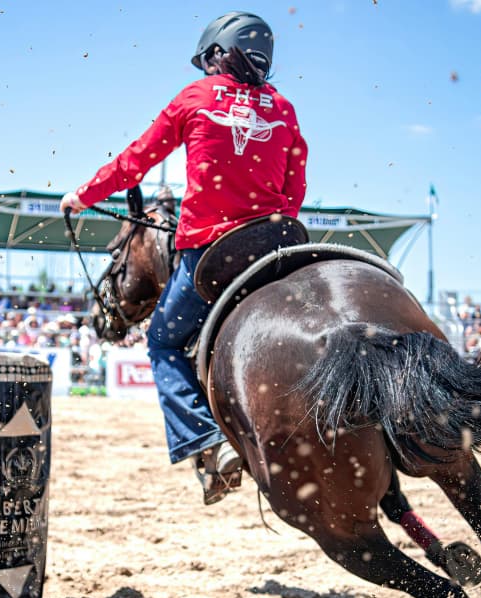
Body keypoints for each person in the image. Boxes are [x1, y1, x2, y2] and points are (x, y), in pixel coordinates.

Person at [61, 12, 308, 504]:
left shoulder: (195, 98)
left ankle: (207, 443)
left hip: (212, 252)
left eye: (208, 61)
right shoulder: (283, 108)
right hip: (277, 244)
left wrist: (82, 197)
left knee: (163, 343)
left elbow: (135, 160)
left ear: (218, 53)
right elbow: (294, 188)